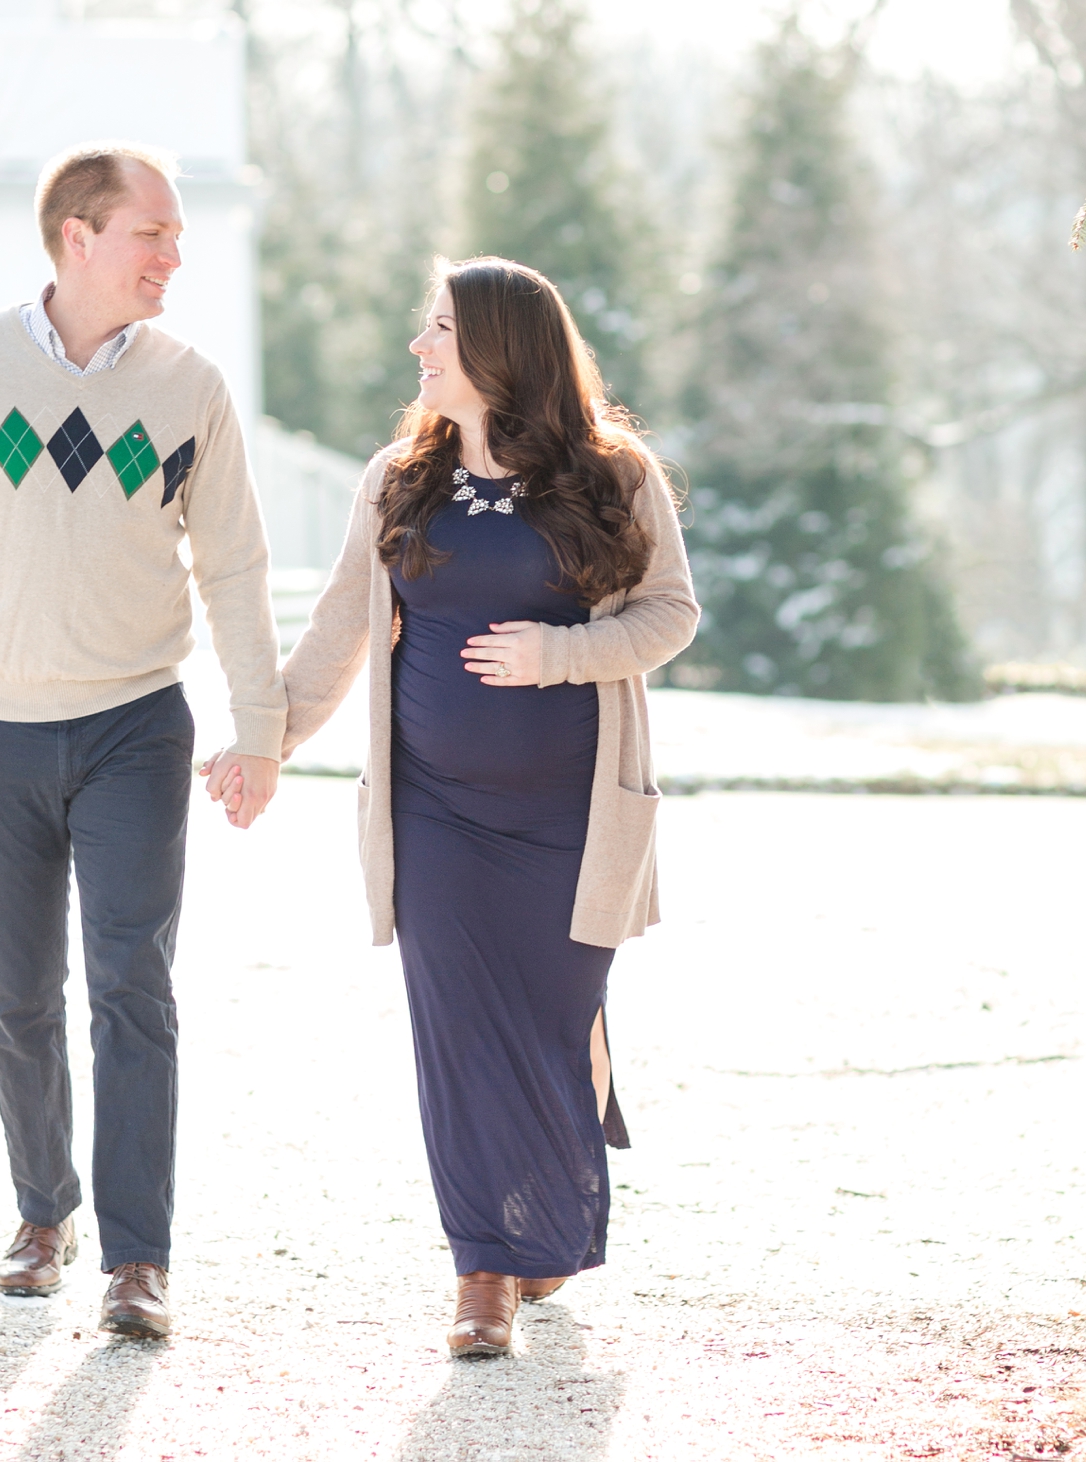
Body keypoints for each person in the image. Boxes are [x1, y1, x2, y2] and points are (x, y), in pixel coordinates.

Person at [208, 256, 697, 1357]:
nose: (420, 347)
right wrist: (266, 737)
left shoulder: (614, 476)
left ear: (501, 347)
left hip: (573, 823)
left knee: (552, 1024)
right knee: (459, 1033)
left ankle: (547, 1231)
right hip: (432, 816)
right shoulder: (399, 479)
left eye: (439, 329)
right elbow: (341, 627)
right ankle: (483, 1270)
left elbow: (670, 614)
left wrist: (560, 653)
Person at [0, 141, 284, 1340]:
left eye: (178, 235)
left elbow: (236, 566)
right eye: (153, 232)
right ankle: (41, 1217)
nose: (173, 255)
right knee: (17, 994)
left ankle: (138, 1260)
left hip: (132, 728)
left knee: (132, 987)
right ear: (78, 236)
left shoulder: (190, 386)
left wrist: (259, 727)